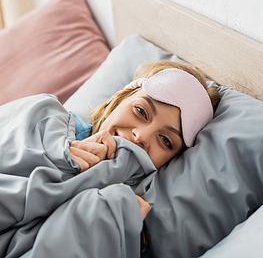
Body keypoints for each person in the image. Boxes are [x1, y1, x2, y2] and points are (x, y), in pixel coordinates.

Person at [69, 60, 221, 220]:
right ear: (115, 103)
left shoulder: (129, 213)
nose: (141, 136)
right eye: (141, 111)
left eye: (165, 140)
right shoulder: (54, 127)